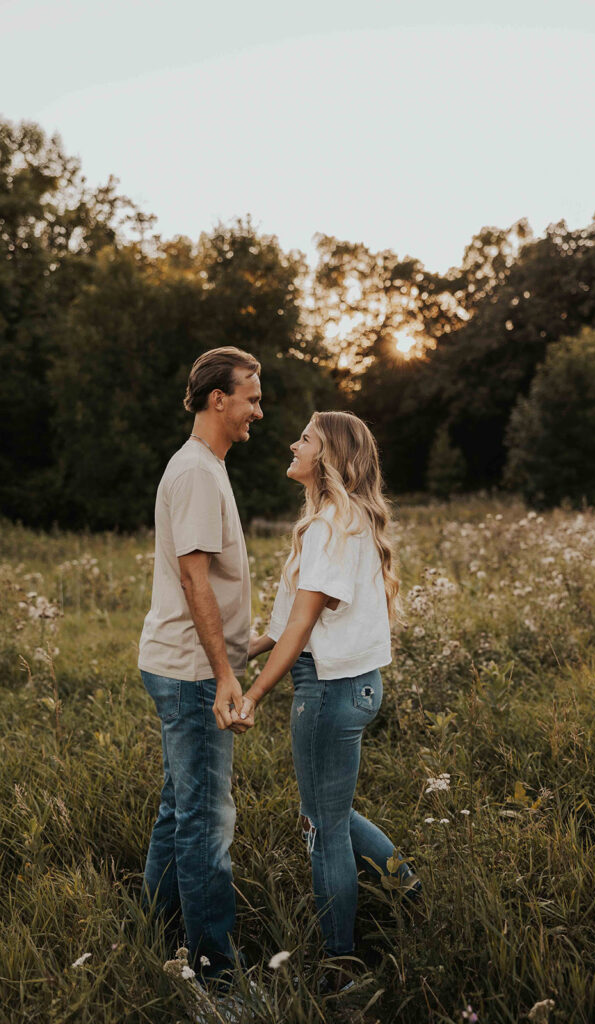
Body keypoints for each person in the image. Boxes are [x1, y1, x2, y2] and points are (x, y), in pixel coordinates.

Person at [237, 411, 419, 987]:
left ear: (329, 458)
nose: (293, 444)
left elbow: (305, 623)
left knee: (322, 825)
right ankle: (406, 887)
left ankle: (341, 963)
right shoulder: (348, 518)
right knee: (329, 815)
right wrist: (252, 645)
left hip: (328, 689)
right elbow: (295, 615)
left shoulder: (328, 525)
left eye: (306, 440)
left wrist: (256, 691)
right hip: (361, 686)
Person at [137, 345, 263, 984]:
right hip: (191, 675)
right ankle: (215, 976)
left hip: (192, 666)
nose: (257, 413)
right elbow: (194, 581)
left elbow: (207, 579)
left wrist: (247, 647)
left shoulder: (207, 467)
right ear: (220, 399)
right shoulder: (194, 472)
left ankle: (154, 931)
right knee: (207, 824)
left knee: (178, 808)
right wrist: (224, 675)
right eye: (251, 398)